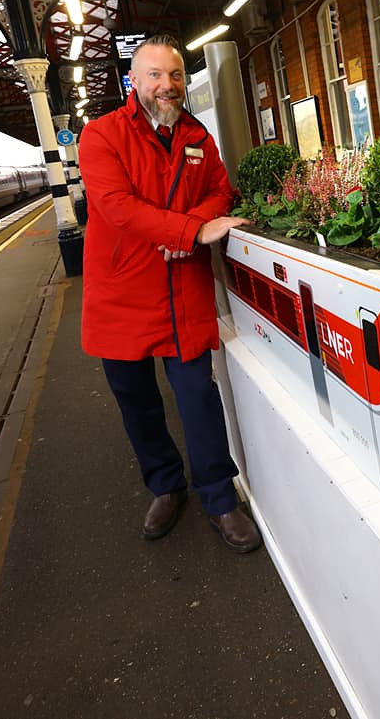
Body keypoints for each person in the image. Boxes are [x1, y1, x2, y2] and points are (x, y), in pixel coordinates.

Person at [77, 34, 260, 553]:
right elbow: (114, 205)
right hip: (122, 291)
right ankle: (165, 485)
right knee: (137, 402)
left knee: (198, 397)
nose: (167, 85)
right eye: (155, 75)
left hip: (181, 289)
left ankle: (219, 497)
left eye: (175, 75)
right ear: (132, 81)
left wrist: (193, 228)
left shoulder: (199, 137)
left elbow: (220, 192)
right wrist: (188, 233)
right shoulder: (101, 135)